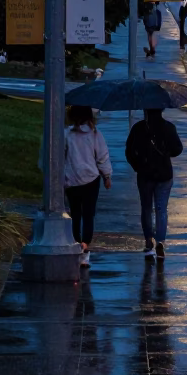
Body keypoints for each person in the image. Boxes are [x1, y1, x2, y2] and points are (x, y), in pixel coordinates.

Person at [125, 108, 183, 259]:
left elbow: (129, 151)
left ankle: (148, 241)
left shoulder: (138, 128)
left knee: (146, 208)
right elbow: (178, 149)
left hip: (145, 174)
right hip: (164, 174)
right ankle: (161, 241)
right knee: (161, 208)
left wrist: (138, 166)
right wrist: (166, 152)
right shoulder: (169, 127)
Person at [64, 105, 112, 268]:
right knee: (89, 214)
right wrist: (107, 176)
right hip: (91, 179)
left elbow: (61, 156)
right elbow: (102, 157)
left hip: (71, 180)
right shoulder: (95, 134)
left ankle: (76, 244)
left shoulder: (66, 134)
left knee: (75, 214)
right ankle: (86, 248)